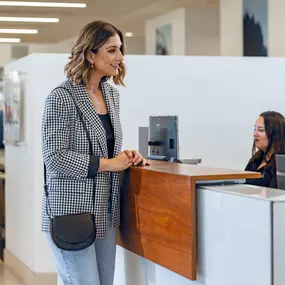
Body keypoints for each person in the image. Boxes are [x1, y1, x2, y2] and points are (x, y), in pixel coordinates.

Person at [41, 20, 148, 285]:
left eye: (120, 50)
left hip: (105, 212)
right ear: (90, 54)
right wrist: (111, 164)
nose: (120, 58)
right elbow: (54, 157)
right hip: (71, 213)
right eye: (111, 50)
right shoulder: (61, 97)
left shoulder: (111, 96)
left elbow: (102, 147)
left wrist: (126, 157)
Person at [245, 111, 285, 188]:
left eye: (261, 130)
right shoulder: (255, 160)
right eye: (255, 129)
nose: (255, 134)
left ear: (276, 134)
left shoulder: (281, 164)